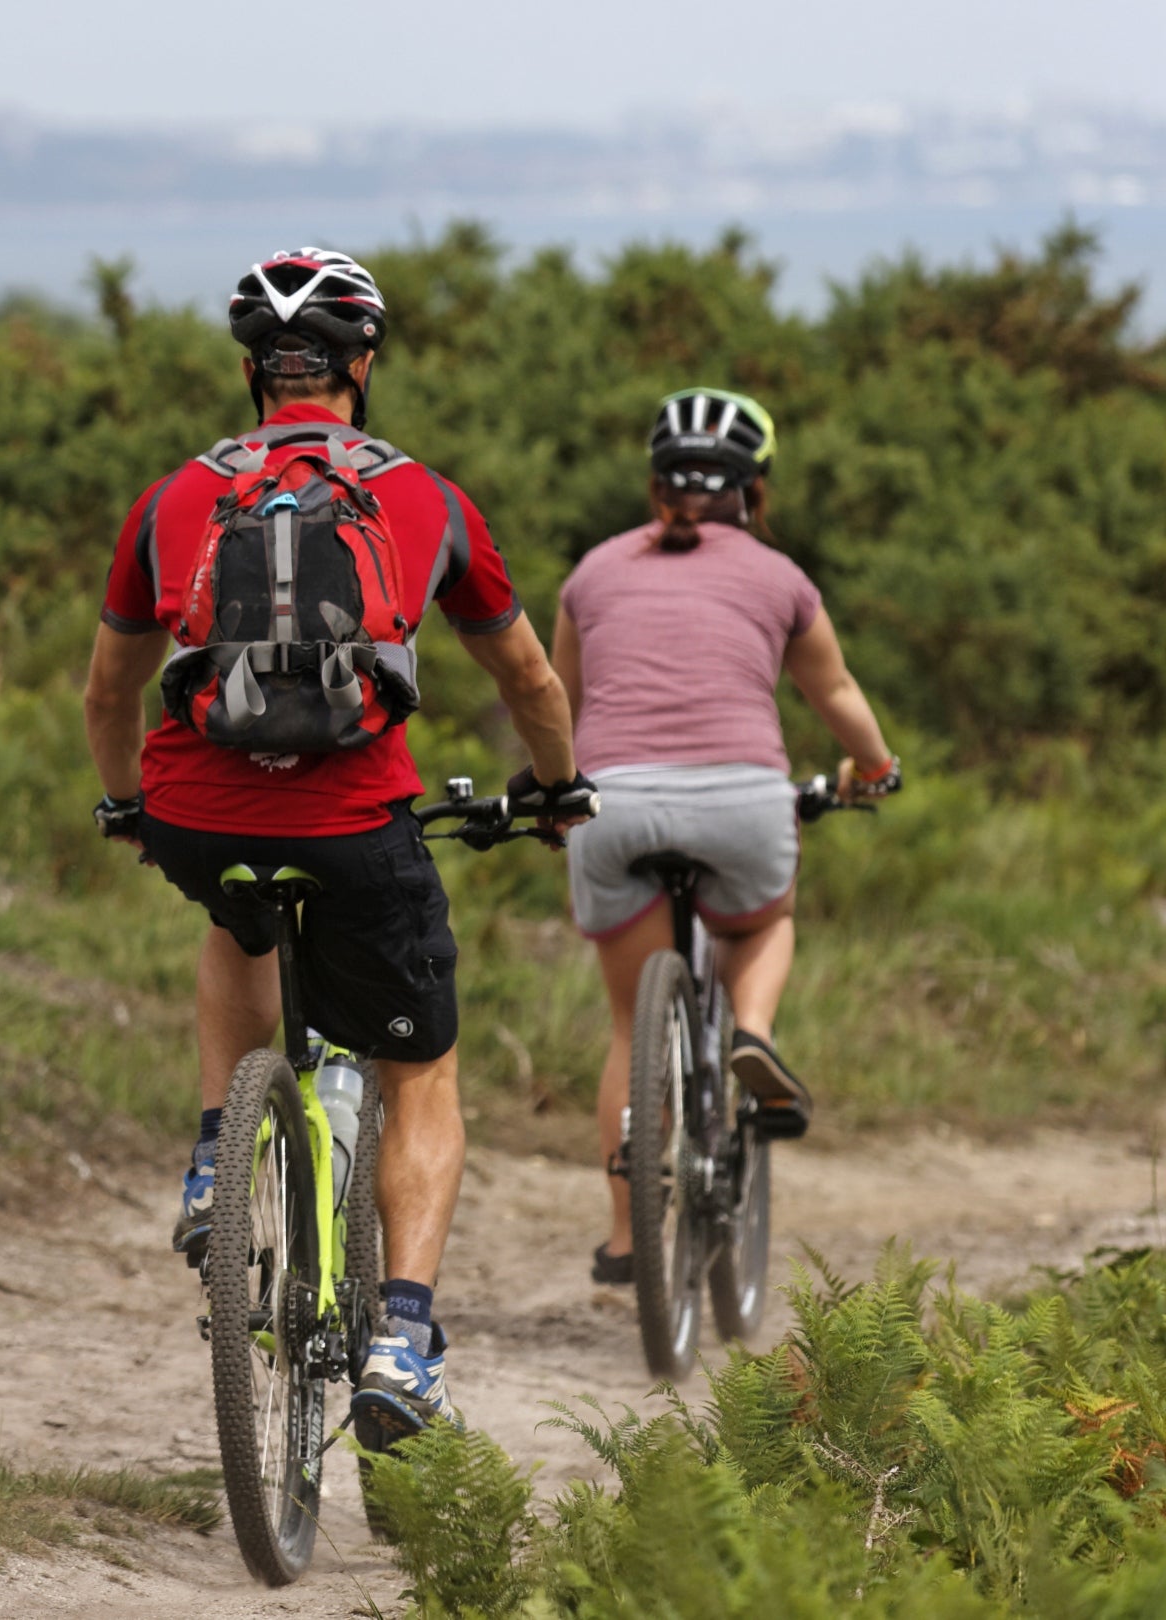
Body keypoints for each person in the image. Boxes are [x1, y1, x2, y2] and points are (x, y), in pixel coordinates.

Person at [81, 248, 591, 1450]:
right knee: (421, 1071)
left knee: (233, 912)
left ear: (256, 371)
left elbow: (109, 695)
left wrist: (129, 807)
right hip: (359, 823)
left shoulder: (171, 497)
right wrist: (557, 787)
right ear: (363, 366)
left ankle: (217, 1159)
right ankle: (404, 1339)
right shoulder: (425, 495)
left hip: (201, 807)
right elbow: (526, 676)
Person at [552, 387, 899, 1286]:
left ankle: (630, 1242)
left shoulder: (593, 570)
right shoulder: (781, 578)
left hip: (611, 802)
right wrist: (875, 766)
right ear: (756, 490)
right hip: (743, 800)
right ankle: (751, 1028)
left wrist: (553, 795)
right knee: (763, 923)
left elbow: (559, 704)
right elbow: (837, 695)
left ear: (655, 483)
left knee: (632, 1027)